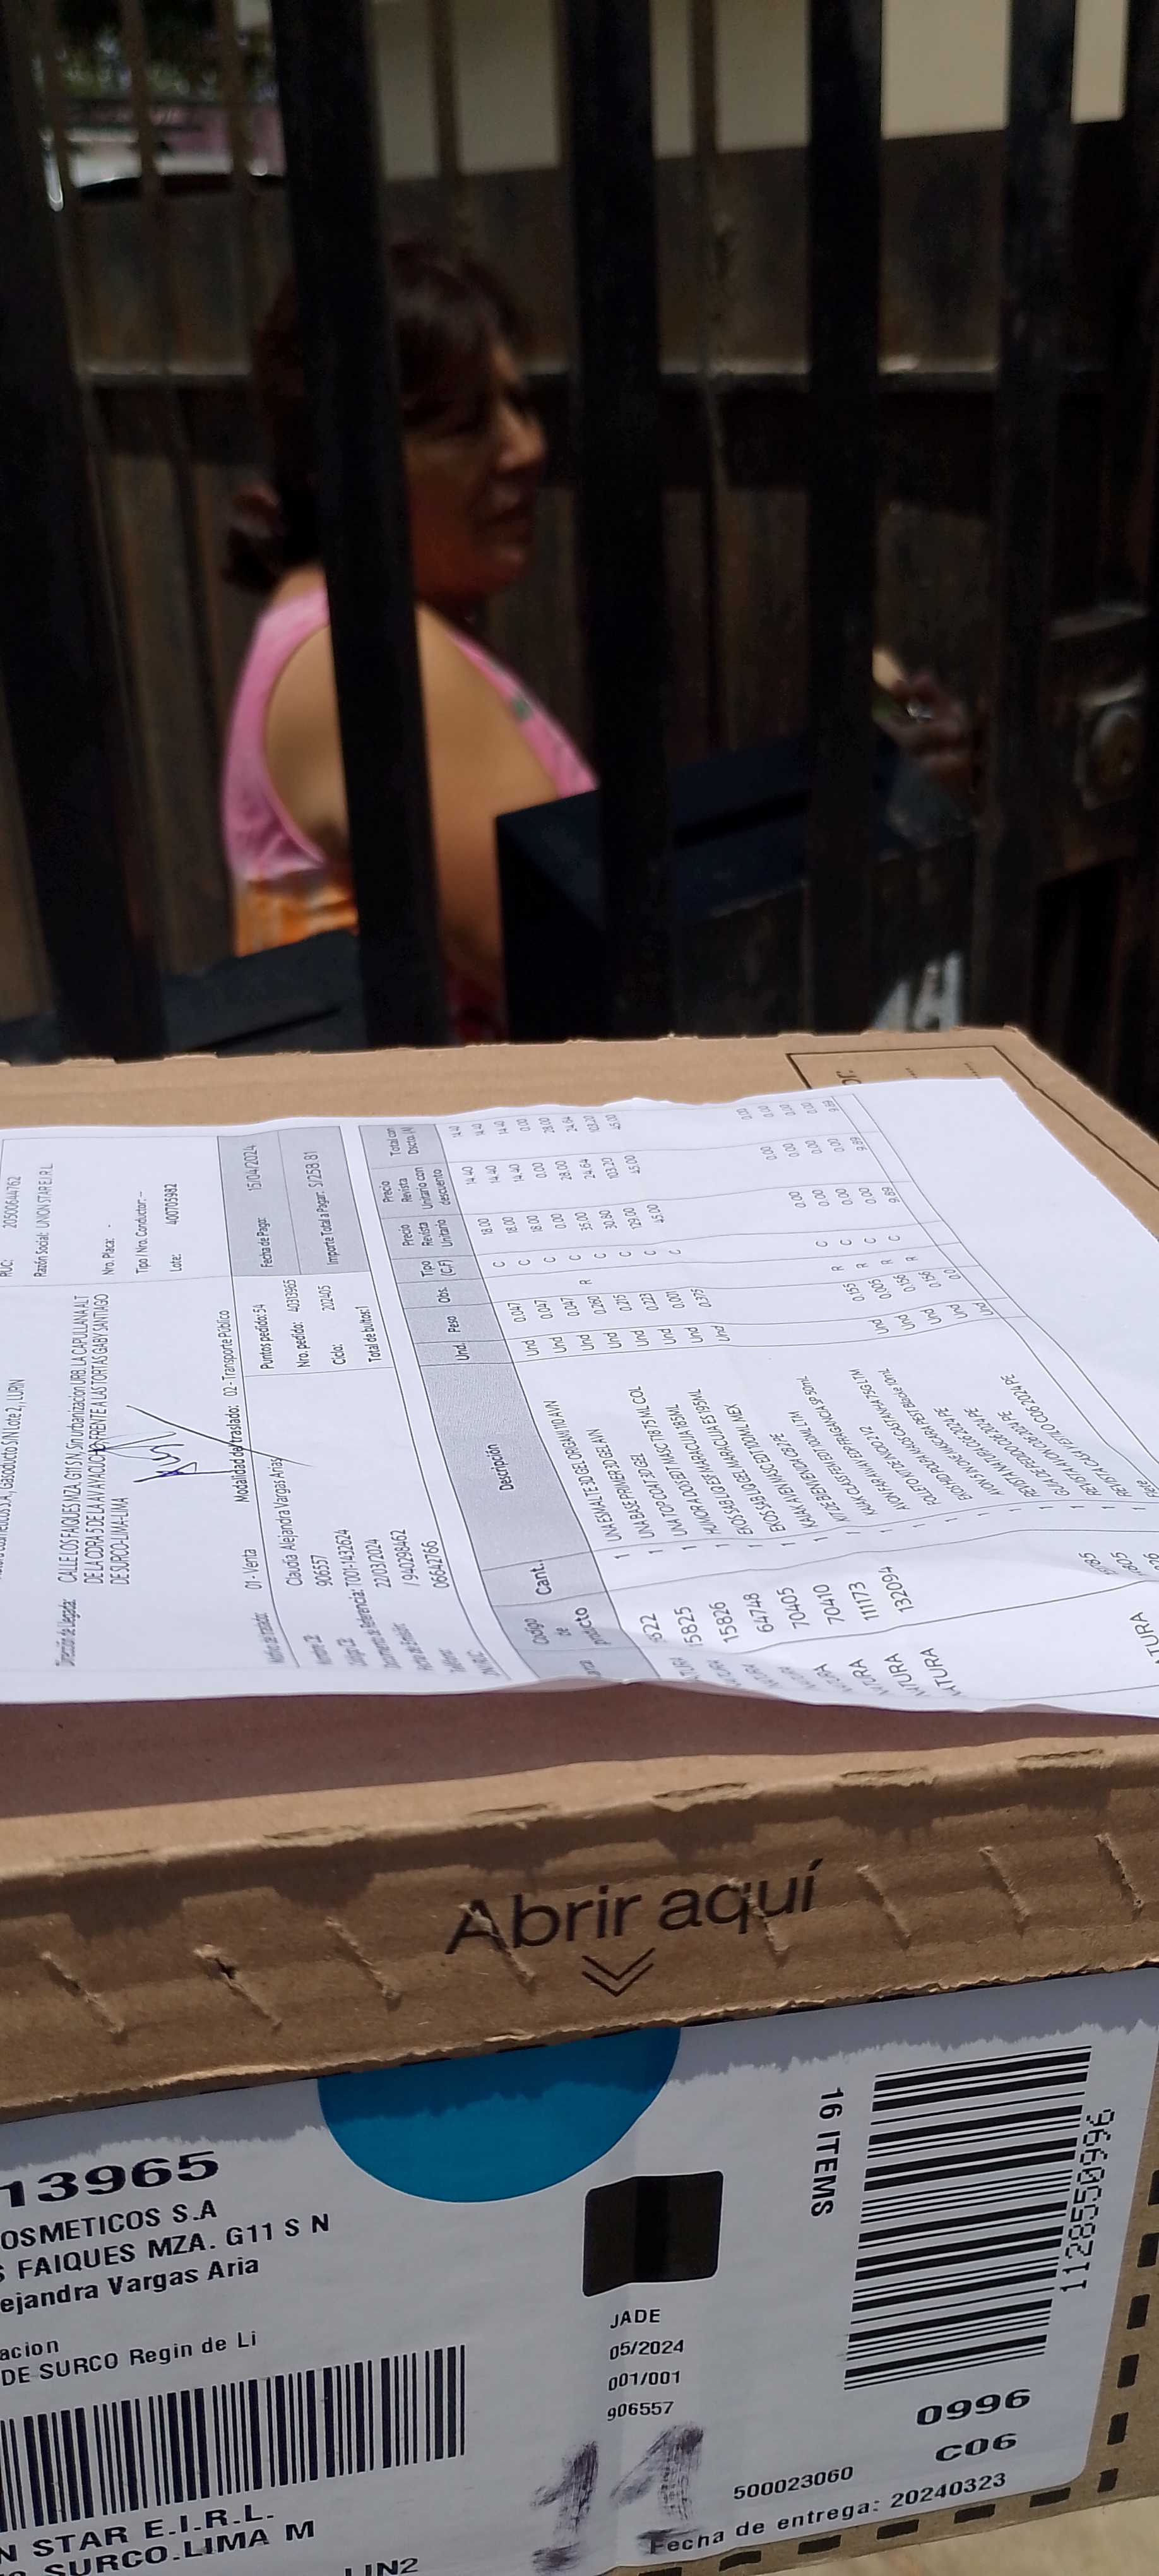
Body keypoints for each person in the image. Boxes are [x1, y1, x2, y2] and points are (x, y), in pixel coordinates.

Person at [223, 237, 972, 1043]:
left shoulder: (359, 634)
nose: (526, 448)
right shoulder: (370, 659)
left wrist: (869, 798)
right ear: (340, 463)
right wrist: (865, 821)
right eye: (468, 424)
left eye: (520, 405)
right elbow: (602, 966)